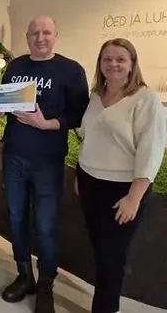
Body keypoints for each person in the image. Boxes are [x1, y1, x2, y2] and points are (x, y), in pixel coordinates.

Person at [0, 16, 89, 313]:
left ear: (56, 35)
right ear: (27, 37)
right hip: (14, 156)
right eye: (34, 33)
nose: (40, 38)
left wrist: (46, 124)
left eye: (46, 32)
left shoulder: (71, 71)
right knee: (16, 218)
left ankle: (46, 283)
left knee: (46, 225)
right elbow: (6, 103)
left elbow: (78, 115)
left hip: (48, 161)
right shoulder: (16, 67)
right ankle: (25, 275)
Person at [76, 38, 166, 313]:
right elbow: (88, 138)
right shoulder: (95, 96)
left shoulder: (146, 99)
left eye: (120, 59)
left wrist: (134, 197)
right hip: (90, 183)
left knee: (111, 258)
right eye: (107, 59)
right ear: (100, 64)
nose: (113, 64)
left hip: (123, 191)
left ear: (132, 64)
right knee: (100, 253)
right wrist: (81, 175)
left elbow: (151, 151)